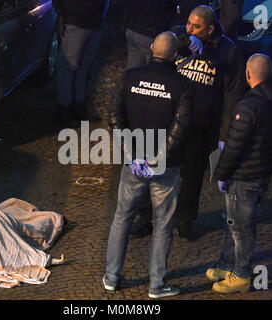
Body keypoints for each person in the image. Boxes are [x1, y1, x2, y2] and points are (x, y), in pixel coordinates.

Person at [103, 32, 194, 299]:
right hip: (166, 167)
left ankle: (111, 277)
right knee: (163, 224)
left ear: (152, 48)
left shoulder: (130, 76)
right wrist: (158, 159)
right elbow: (181, 127)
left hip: (134, 163)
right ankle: (157, 285)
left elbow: (114, 116)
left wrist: (132, 154)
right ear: (176, 56)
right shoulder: (182, 85)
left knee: (122, 218)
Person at [206, 54, 272, 293]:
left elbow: (234, 147)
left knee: (240, 227)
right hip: (263, 170)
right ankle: (228, 263)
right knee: (235, 221)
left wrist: (222, 174)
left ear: (247, 74)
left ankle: (241, 274)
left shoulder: (247, 107)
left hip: (244, 176)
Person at [174, 5, 247, 240]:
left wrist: (224, 136)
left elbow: (232, 96)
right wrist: (184, 41)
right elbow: (163, 44)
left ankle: (185, 219)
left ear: (210, 28)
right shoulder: (181, 37)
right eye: (188, 23)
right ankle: (147, 216)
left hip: (201, 123)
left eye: (196, 26)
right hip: (172, 119)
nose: (190, 29)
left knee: (193, 173)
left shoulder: (227, 51)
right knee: (159, 168)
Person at [52, 0, 110, 128]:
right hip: (77, 21)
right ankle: (64, 107)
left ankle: (77, 104)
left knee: (82, 67)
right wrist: (62, 15)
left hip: (93, 23)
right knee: (69, 67)